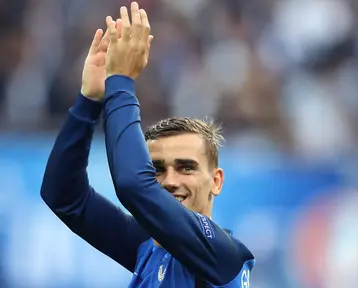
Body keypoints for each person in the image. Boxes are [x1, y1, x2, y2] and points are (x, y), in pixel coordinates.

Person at [40, 2, 255, 287]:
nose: (169, 181)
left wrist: (121, 81)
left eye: (186, 167)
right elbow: (64, 197)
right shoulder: (150, 248)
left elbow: (134, 185)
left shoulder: (223, 254)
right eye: (157, 169)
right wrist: (89, 101)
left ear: (215, 180)